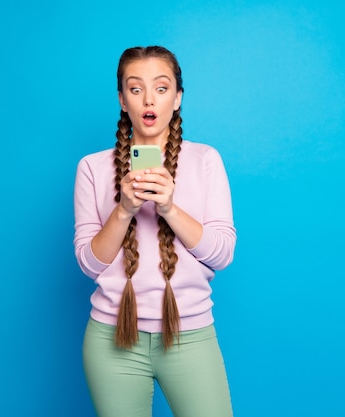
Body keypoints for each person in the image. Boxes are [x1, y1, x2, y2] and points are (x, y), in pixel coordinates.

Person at [73, 46, 236, 417]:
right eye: (135, 88)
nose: (148, 99)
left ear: (177, 98)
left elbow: (223, 254)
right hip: (112, 338)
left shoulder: (205, 161)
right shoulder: (93, 168)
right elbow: (88, 264)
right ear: (122, 99)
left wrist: (169, 208)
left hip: (189, 335)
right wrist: (124, 209)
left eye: (161, 88)